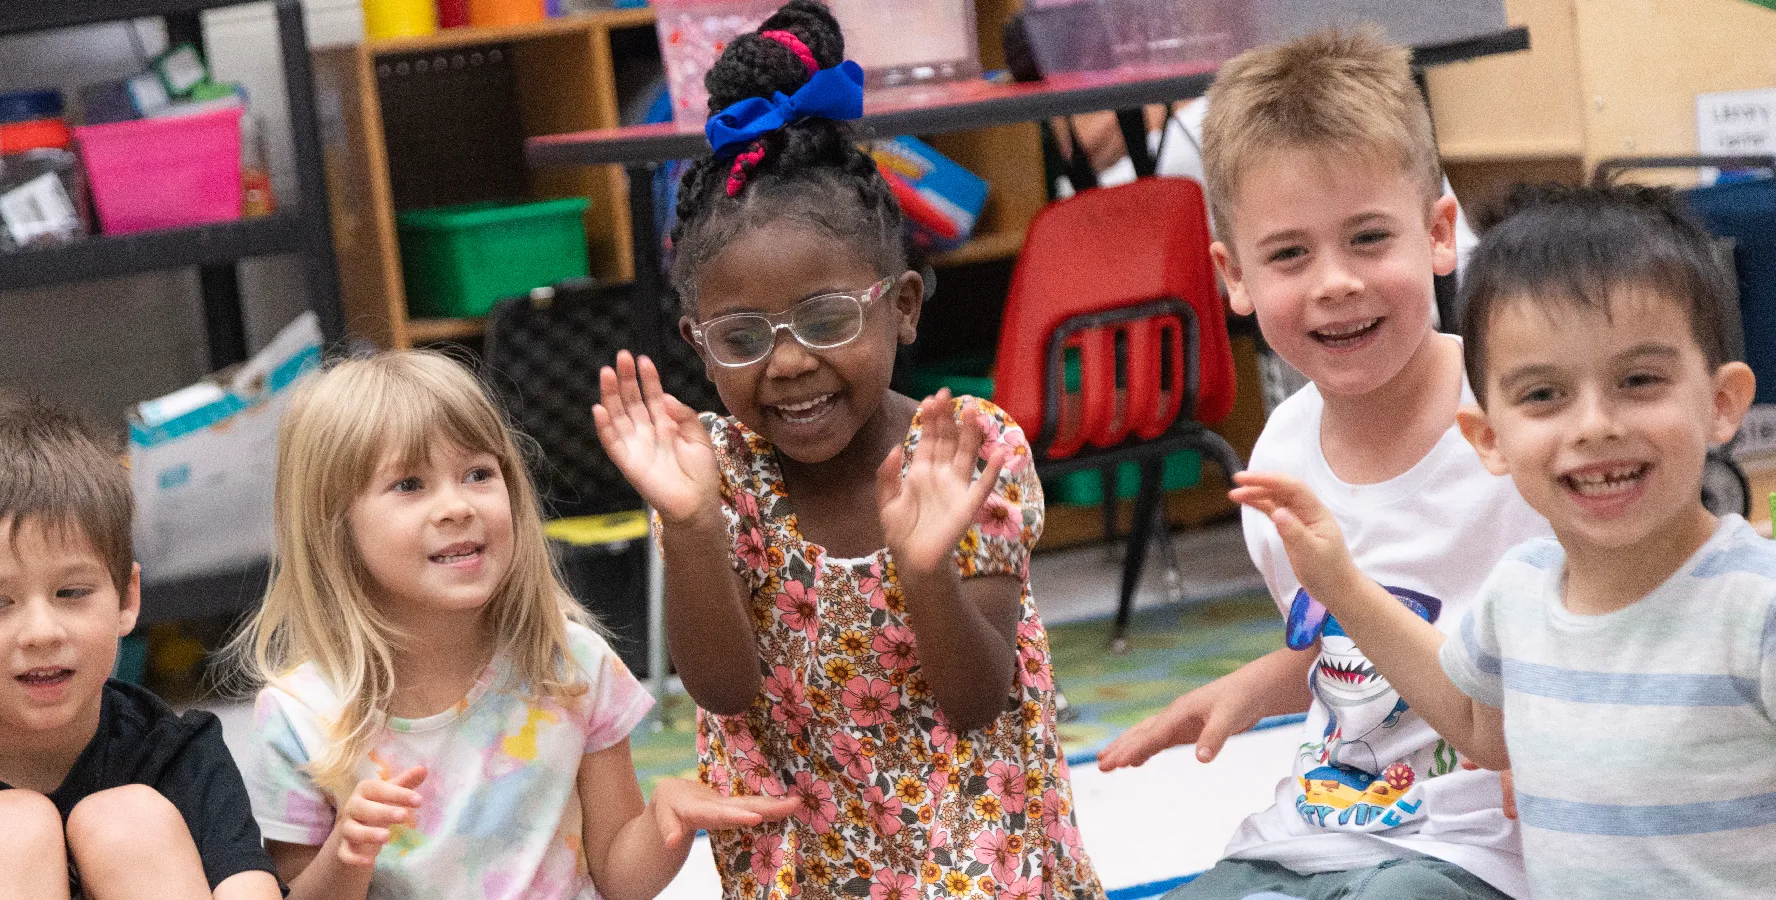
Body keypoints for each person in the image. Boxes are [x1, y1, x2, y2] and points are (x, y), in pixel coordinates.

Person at [591, 3, 1103, 898]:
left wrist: (923, 565)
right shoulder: (713, 469)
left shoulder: (968, 447)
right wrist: (690, 526)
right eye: (742, 336)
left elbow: (975, 699)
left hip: (980, 866)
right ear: (696, 341)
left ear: (901, 305)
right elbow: (722, 690)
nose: (789, 363)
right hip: (805, 872)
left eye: (827, 320)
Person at [1096, 28, 1548, 900]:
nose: (1334, 282)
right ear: (1234, 276)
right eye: (1290, 254)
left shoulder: (1517, 426)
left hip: (1475, 847)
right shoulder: (1281, 454)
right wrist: (1257, 683)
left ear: (1440, 233)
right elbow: (1356, 655)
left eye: (1369, 238)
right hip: (1315, 826)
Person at [1233, 184, 1773, 900]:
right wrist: (1342, 584)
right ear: (1488, 438)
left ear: (1722, 402)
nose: (1593, 425)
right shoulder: (1518, 590)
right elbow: (1473, 726)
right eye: (1543, 395)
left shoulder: (1755, 607)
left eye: (1638, 380)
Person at [233, 351, 794, 900]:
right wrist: (347, 854)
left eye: (478, 473)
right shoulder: (298, 716)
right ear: (335, 528)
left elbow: (620, 879)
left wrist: (662, 825)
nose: (456, 506)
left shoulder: (573, 665)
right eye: (409, 484)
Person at [0, 394, 282, 900]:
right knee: (2, 830)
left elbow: (249, 886)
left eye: (72, 593)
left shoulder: (178, 754)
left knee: (128, 820)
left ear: (126, 598)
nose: (42, 632)